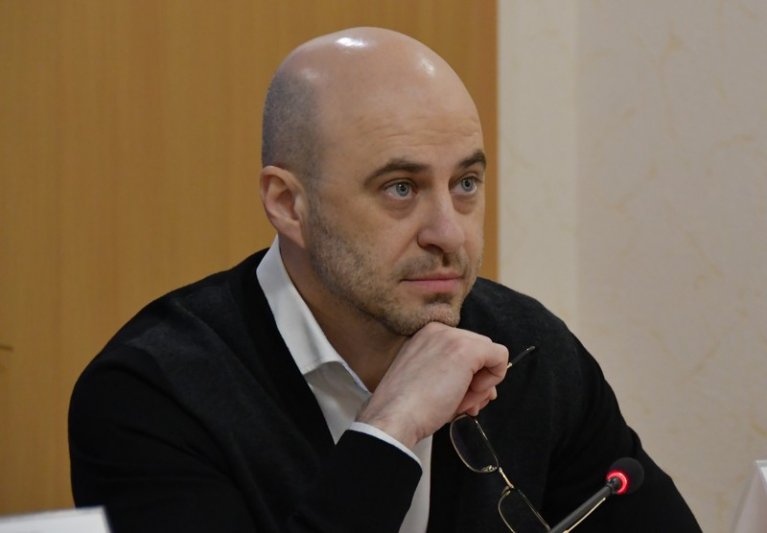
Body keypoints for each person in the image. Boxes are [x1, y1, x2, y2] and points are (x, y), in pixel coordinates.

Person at [69, 27, 701, 532]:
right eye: (400, 188)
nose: (449, 233)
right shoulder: (151, 393)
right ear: (289, 205)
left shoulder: (529, 350)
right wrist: (389, 428)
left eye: (466, 184)